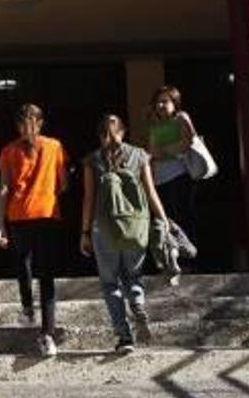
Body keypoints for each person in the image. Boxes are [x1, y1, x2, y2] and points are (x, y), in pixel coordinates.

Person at [79, 114, 170, 354]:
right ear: (124, 132)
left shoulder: (92, 160)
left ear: (100, 136)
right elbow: (151, 192)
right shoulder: (140, 155)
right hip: (135, 227)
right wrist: (163, 219)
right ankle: (138, 301)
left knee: (111, 283)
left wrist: (85, 232)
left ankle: (124, 338)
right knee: (133, 276)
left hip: (104, 229)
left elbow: (88, 199)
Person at [0, 103, 68, 357]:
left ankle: (36, 320)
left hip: (30, 214)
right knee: (36, 270)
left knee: (31, 268)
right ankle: (38, 322)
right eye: (24, 123)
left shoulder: (14, 150)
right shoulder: (49, 147)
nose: (26, 128)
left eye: (28, 123)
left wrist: (1, 224)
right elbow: (63, 184)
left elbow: (5, 188)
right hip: (34, 214)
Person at [149, 86, 199, 252]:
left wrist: (163, 151)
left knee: (183, 216)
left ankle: (190, 258)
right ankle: (172, 257)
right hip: (159, 179)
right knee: (166, 219)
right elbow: (151, 152)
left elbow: (188, 142)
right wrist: (167, 151)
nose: (161, 106)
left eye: (165, 101)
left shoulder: (180, 118)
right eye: (158, 102)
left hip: (180, 175)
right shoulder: (155, 125)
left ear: (174, 102)